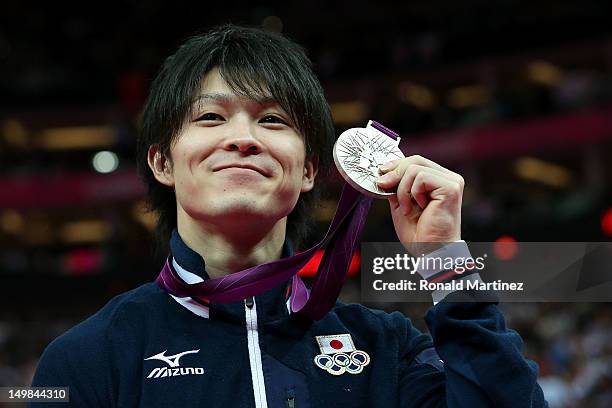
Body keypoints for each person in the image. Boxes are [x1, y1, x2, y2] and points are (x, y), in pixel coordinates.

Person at [30, 25, 548, 407]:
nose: (243, 138)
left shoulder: (385, 350)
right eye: (210, 116)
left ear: (309, 170)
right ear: (162, 161)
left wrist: (445, 261)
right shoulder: (88, 358)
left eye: (272, 119)